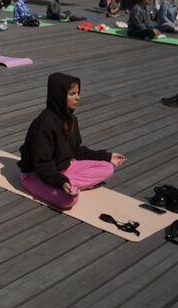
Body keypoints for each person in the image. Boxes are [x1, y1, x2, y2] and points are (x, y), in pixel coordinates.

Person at [17, 72, 125, 210]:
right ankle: (68, 185)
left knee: (107, 168)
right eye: (72, 94)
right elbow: (42, 165)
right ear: (60, 95)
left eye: (78, 93)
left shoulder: (70, 119)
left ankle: (68, 184)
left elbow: (76, 150)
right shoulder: (44, 124)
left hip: (62, 169)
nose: (78, 97)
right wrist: (61, 182)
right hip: (36, 175)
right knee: (69, 200)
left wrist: (107, 156)